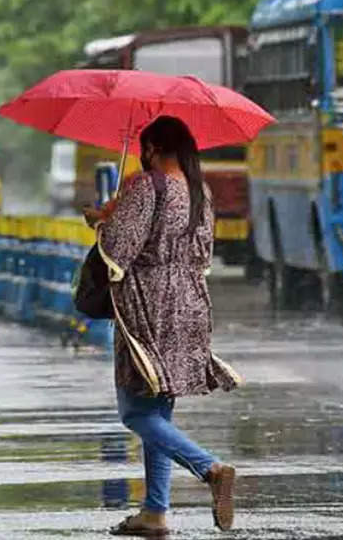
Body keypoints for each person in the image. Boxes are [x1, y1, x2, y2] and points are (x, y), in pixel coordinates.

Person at [83, 116, 242, 537]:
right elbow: (203, 251)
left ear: (152, 147)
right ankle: (155, 511)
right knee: (158, 408)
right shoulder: (198, 190)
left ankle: (210, 469)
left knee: (135, 411)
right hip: (189, 302)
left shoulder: (145, 185)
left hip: (147, 305)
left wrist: (102, 220)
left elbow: (118, 251)